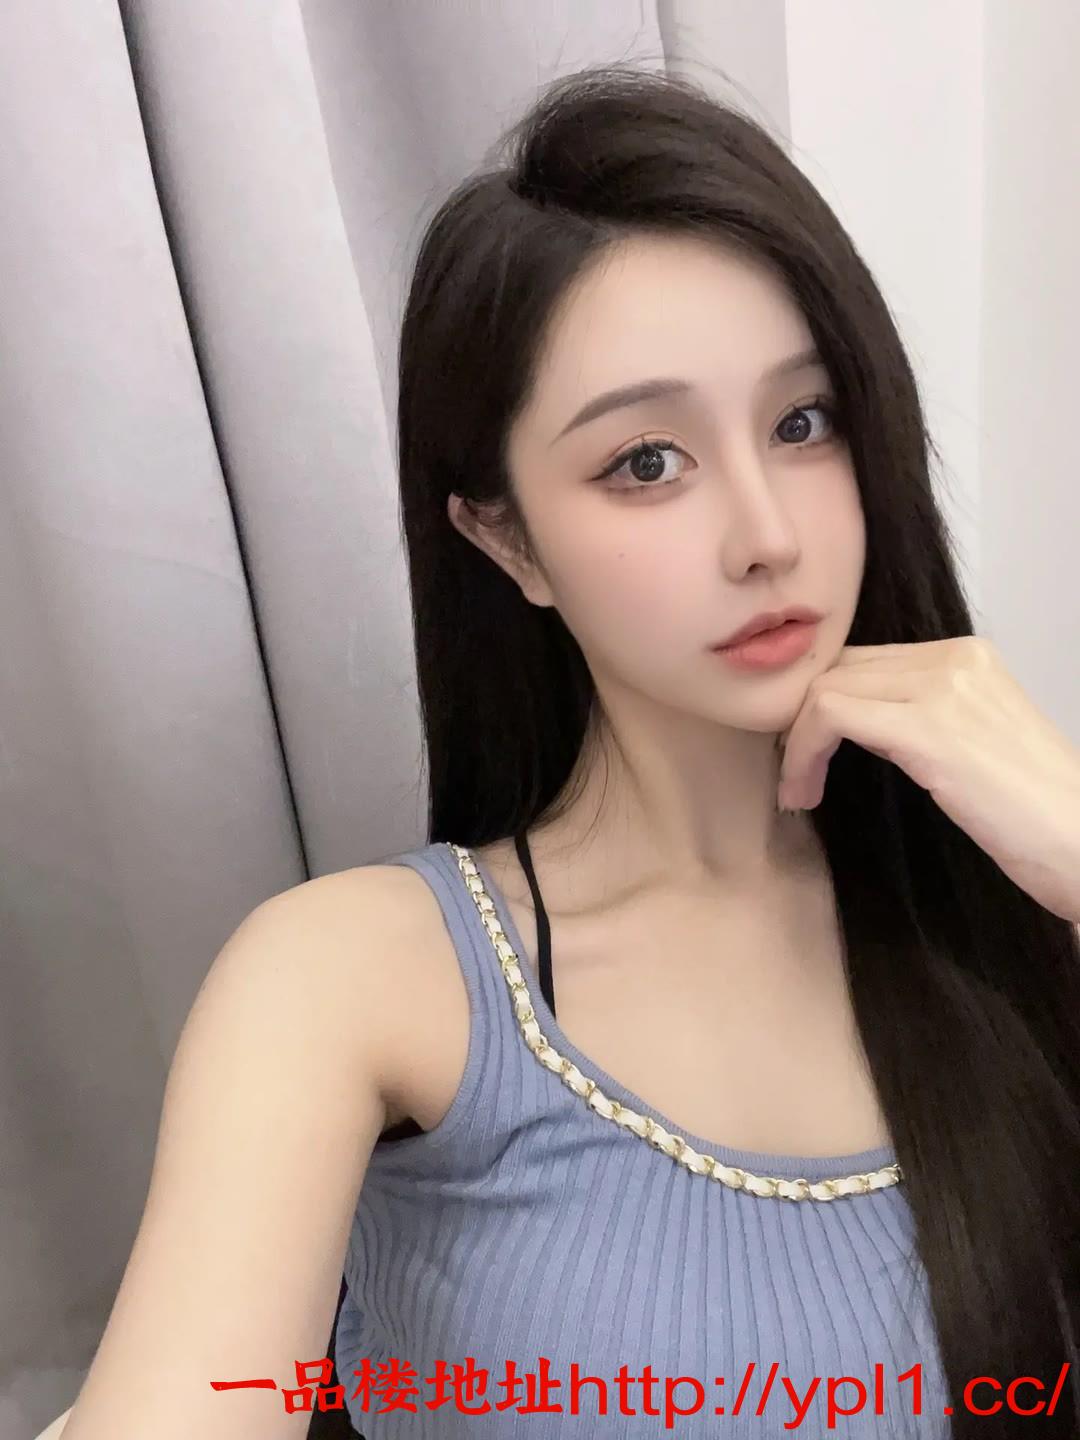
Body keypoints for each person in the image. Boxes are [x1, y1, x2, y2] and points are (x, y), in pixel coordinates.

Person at [57, 64, 1080, 1440]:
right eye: (646, 462)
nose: (766, 532)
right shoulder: (354, 982)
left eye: (803, 422)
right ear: (507, 540)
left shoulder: (1010, 912)